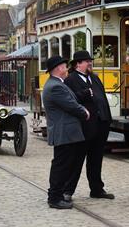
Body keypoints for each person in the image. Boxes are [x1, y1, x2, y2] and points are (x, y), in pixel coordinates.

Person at [64, 51, 115, 201]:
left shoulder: (94, 78)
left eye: (89, 61)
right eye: (86, 61)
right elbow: (70, 100)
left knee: (96, 159)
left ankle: (97, 189)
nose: (89, 63)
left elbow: (102, 98)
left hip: (100, 124)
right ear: (78, 64)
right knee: (77, 159)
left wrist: (107, 119)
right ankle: (68, 190)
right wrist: (84, 94)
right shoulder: (70, 80)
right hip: (84, 126)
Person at [42, 56, 90, 209]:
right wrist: (84, 112)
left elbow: (72, 101)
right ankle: (54, 198)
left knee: (66, 164)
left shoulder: (58, 84)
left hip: (67, 132)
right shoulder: (55, 86)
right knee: (61, 165)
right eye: (64, 66)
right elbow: (71, 105)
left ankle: (59, 194)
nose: (67, 68)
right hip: (63, 131)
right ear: (58, 69)